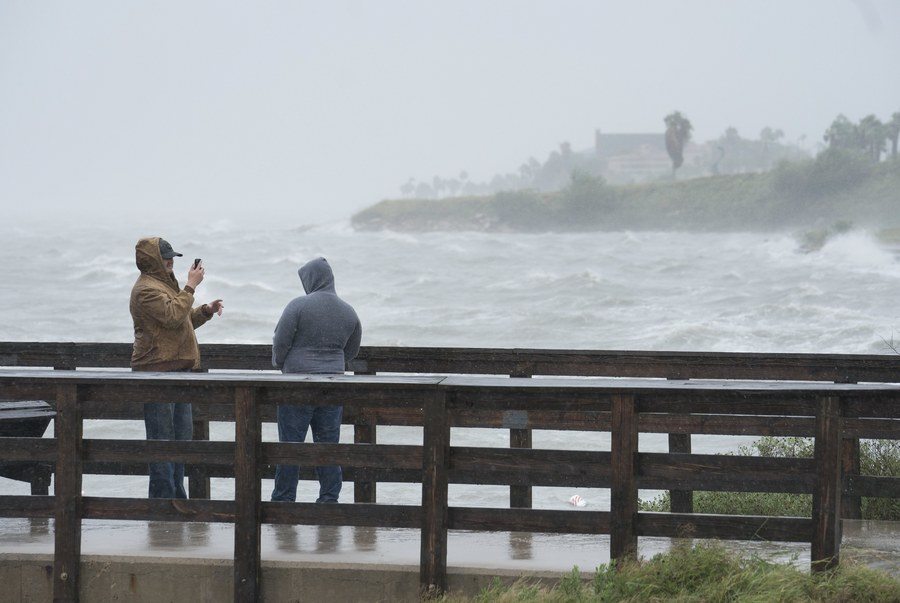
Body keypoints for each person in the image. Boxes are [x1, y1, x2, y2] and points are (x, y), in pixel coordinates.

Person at [130, 237, 224, 498]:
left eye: (172, 256)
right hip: (157, 373)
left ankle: (177, 500)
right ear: (153, 260)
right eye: (166, 257)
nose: (171, 261)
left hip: (178, 371)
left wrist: (205, 311)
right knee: (162, 442)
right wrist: (191, 286)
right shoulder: (145, 290)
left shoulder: (164, 286)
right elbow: (172, 317)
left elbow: (181, 320)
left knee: (181, 440)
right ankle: (163, 501)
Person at [271, 257, 362, 503]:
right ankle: (329, 500)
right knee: (328, 446)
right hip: (333, 386)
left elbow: (281, 342)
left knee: (290, 447)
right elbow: (352, 351)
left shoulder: (298, 306)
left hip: (296, 386)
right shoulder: (348, 311)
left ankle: (283, 501)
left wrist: (281, 363)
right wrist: (332, 362)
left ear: (310, 280)